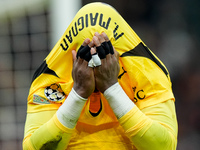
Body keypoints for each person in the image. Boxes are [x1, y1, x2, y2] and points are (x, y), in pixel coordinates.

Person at [23, 2, 178, 150]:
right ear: (75, 54)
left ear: (117, 55)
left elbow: (164, 146)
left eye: (103, 53)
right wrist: (78, 93)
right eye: (86, 54)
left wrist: (112, 88)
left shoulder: (146, 73)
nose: (96, 65)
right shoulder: (51, 79)